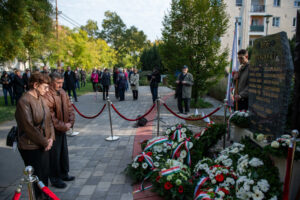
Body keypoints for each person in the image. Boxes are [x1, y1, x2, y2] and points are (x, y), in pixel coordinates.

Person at [16, 72, 54, 200]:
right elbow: (28, 128)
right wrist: (45, 142)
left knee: (45, 175)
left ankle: (46, 197)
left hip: (44, 144)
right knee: (37, 178)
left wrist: (51, 138)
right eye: (45, 87)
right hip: (30, 146)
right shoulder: (24, 101)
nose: (47, 90)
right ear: (35, 85)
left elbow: (49, 120)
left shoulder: (41, 98)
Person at [44, 72, 75, 189]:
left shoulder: (62, 92)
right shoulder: (47, 95)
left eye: (62, 82)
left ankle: (63, 173)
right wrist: (64, 126)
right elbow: (50, 117)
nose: (60, 85)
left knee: (63, 152)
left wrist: (70, 123)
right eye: (58, 83)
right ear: (51, 82)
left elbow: (70, 108)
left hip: (63, 128)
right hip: (53, 131)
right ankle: (55, 178)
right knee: (54, 156)